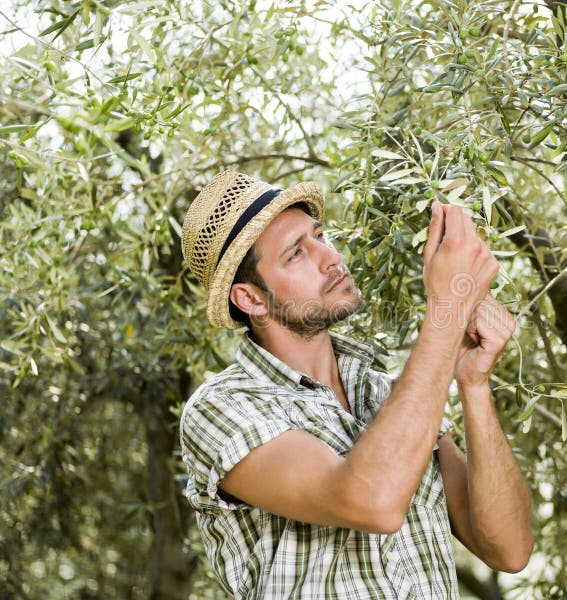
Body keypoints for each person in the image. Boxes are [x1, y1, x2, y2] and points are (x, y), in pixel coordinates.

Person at [180, 170, 533, 599]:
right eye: (296, 254)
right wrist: (447, 311)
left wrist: (474, 384)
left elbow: (509, 550)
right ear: (251, 299)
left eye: (320, 236)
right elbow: (373, 500)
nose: (330, 258)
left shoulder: (387, 394)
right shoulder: (223, 409)